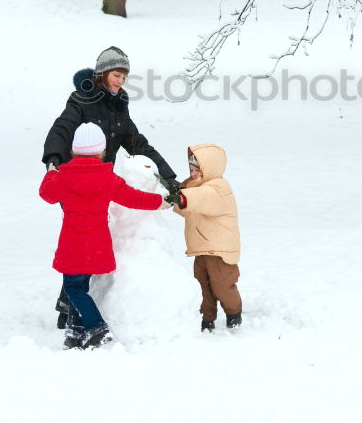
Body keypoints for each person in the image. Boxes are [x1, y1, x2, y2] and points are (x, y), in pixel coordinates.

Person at [42, 46, 179, 327]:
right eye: (117, 75)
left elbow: (136, 142)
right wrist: (54, 162)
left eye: (124, 77)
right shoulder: (83, 100)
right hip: (74, 180)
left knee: (84, 242)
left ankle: (69, 301)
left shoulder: (119, 104)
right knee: (83, 240)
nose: (120, 81)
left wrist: (168, 176)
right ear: (103, 74)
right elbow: (60, 129)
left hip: (100, 180)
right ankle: (73, 306)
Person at [38, 122, 168, 349]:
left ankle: (97, 327)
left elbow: (46, 194)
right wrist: (160, 202)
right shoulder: (107, 179)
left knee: (73, 289)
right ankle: (75, 333)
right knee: (82, 287)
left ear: (73, 150)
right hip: (96, 245)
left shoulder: (64, 177)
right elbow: (133, 198)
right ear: (102, 151)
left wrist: (51, 173)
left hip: (73, 245)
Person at [166, 143, 242, 332]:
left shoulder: (219, 188)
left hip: (220, 250)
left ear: (209, 168)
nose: (192, 174)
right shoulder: (195, 188)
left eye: (196, 170)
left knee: (222, 285)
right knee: (202, 286)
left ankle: (234, 313)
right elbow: (187, 209)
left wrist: (184, 197)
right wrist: (176, 198)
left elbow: (202, 198)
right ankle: (206, 318)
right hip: (201, 248)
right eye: (190, 170)